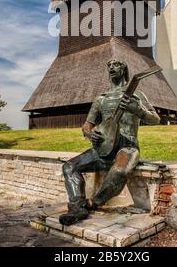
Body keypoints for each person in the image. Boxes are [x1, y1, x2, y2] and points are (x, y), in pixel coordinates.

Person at [59, 59, 160, 226]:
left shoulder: (137, 95)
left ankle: (93, 203)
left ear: (124, 68)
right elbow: (87, 126)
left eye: (116, 64)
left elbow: (155, 119)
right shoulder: (101, 99)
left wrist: (138, 110)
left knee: (119, 171)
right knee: (69, 166)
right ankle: (77, 208)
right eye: (109, 65)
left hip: (126, 147)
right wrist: (90, 134)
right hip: (103, 148)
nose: (111, 67)